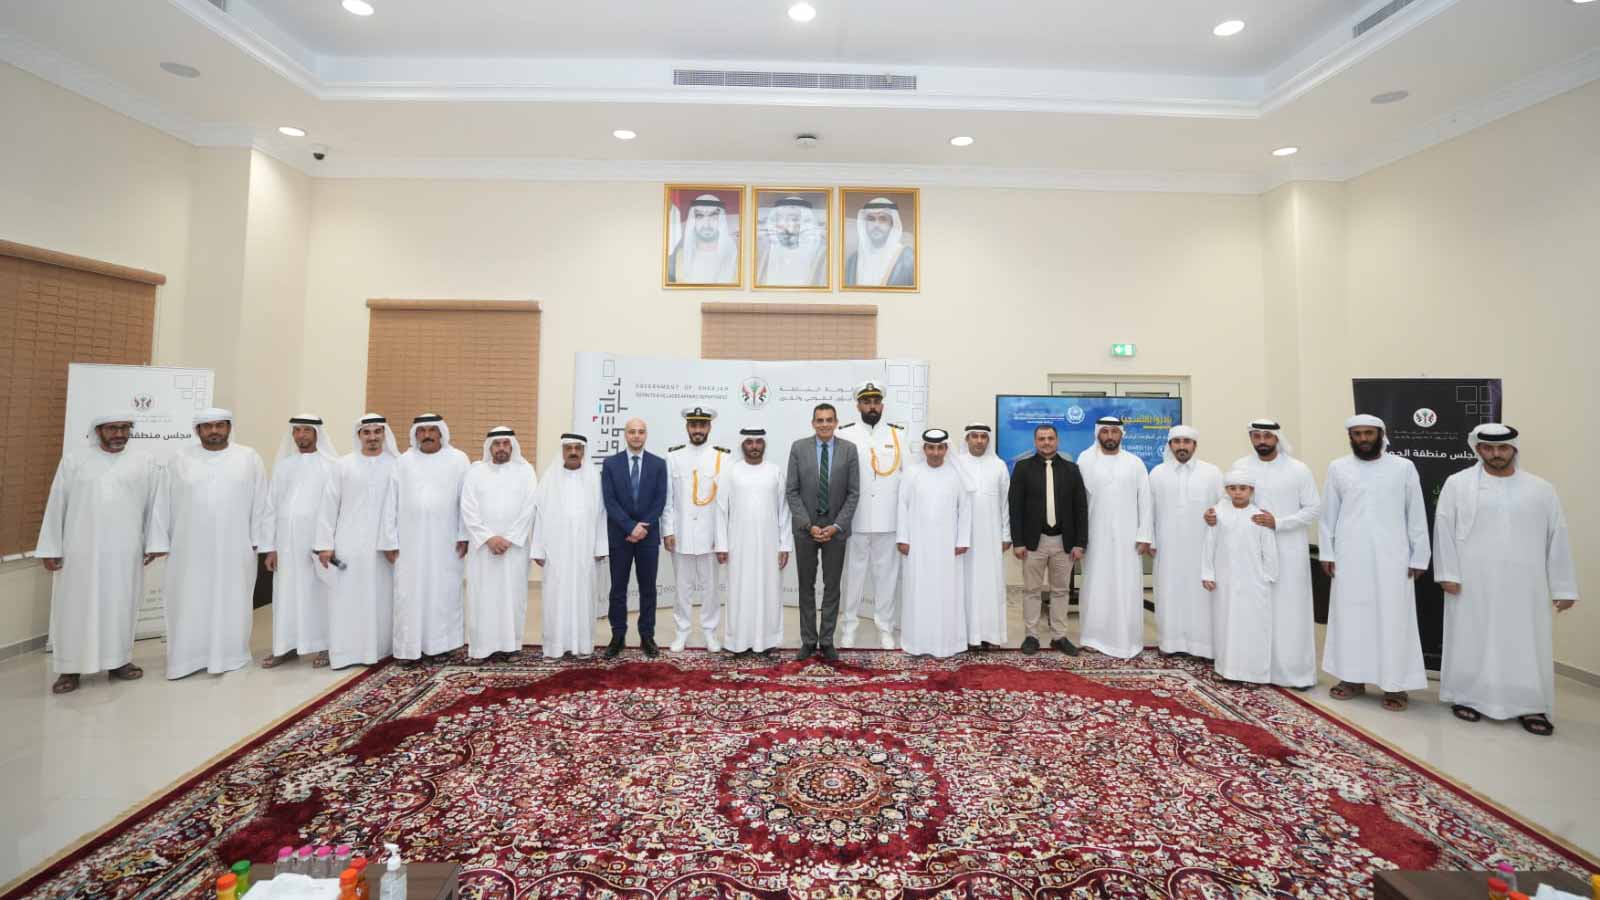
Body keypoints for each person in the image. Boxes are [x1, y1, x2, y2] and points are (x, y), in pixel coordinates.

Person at [1436, 424, 1578, 735]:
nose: (1496, 454)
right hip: (1472, 580)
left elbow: (1557, 536)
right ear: (1478, 449)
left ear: (1514, 448)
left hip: (1526, 583)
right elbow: (1443, 528)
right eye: (1488, 448)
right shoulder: (1458, 484)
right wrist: (1447, 573)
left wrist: (1563, 587)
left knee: (1525, 642)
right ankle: (1468, 697)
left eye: (1502, 448)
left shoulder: (1540, 489)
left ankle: (1529, 705)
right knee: (1472, 638)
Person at [35, 414, 167, 694]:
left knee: (120, 604)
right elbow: (57, 503)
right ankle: (69, 668)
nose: (119, 433)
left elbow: (155, 504)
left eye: (124, 428)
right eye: (112, 428)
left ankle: (118, 661)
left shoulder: (144, 461)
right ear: (98, 431)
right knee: (75, 608)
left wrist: (153, 542)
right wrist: (50, 547)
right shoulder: (75, 460)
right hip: (80, 550)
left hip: (124, 550)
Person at [1321, 414, 1431, 712]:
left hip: (1393, 557)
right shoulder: (1338, 467)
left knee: (1393, 618)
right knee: (1351, 618)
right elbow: (1329, 514)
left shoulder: (1403, 467)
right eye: (1357, 434)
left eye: (1368, 433)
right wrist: (1328, 553)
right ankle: (1351, 679)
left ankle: (1394, 685)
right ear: (1351, 437)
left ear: (1381, 434)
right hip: (1349, 555)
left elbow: (1415, 512)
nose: (1363, 439)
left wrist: (1420, 555)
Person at [1204, 418, 1321, 688]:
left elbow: (1313, 509)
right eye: (1256, 436)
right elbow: (1227, 500)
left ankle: (1292, 674)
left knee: (1289, 612)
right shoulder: (1241, 466)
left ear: (1277, 438)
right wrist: (1212, 514)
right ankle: (1248, 669)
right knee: (1248, 615)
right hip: (1247, 557)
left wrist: (1279, 522)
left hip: (1288, 550)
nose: (1262, 441)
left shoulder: (1298, 470)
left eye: (1267, 436)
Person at [158, 408, 270, 679]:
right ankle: (186, 658)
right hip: (189, 548)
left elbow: (261, 502)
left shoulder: (248, 458)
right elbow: (162, 503)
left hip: (235, 545)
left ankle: (231, 655)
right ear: (198, 430)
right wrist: (159, 540)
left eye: (220, 425)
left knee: (232, 598)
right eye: (208, 426)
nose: (215, 431)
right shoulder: (180, 459)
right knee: (189, 599)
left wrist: (260, 540)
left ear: (229, 428)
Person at [314, 413, 399, 669]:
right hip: (349, 542)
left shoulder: (397, 464)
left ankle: (382, 650)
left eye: (377, 432)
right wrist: (325, 544)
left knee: (382, 596)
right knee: (347, 597)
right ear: (359, 436)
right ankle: (346, 652)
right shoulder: (343, 465)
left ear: (384, 434)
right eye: (367, 432)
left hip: (384, 546)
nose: (372, 437)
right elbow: (329, 505)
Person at [385, 413, 471, 664]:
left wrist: (464, 534)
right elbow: (391, 502)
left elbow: (466, 500)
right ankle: (408, 648)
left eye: (432, 430)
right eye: (422, 431)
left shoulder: (458, 460)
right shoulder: (403, 461)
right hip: (409, 542)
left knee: (444, 592)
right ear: (415, 435)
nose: (427, 435)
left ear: (442, 433)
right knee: (408, 594)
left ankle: (443, 646)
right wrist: (389, 540)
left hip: (446, 541)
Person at [261, 414, 339, 670]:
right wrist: (270, 548)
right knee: (286, 594)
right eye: (297, 430)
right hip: (285, 544)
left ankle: (326, 645)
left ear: (317, 434)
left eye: (307, 430)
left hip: (316, 543)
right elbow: (271, 506)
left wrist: (328, 543)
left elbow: (336, 507)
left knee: (319, 593)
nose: (301, 435)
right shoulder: (284, 465)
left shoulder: (331, 465)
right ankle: (286, 646)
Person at [784, 402, 861, 661]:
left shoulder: (849, 450)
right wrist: (809, 525)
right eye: (820, 420)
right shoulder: (798, 448)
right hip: (806, 530)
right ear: (813, 423)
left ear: (836, 422)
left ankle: (827, 641)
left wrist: (837, 526)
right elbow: (792, 491)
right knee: (806, 586)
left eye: (829, 420)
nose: (825, 424)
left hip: (835, 531)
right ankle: (808, 640)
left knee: (832, 586)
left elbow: (853, 493)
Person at [1007, 423, 1088, 656]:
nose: (1046, 442)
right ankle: (1031, 635)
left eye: (1050, 438)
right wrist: (1018, 542)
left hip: (1064, 541)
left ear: (1057, 441)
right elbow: (1015, 508)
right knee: (1032, 590)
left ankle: (1059, 636)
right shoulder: (1022, 468)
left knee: (1060, 591)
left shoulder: (1072, 469)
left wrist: (1080, 542)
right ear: (1035, 442)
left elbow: (1080, 508)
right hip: (1034, 542)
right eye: (1041, 439)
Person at [1076, 416, 1153, 659]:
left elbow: (1145, 501)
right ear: (1098, 433)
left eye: (1114, 432)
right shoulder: (1085, 460)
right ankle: (1092, 637)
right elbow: (1077, 501)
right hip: (1094, 535)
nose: (1110, 436)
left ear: (1122, 434)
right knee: (1095, 584)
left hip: (1128, 537)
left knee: (1126, 584)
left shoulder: (1135, 463)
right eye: (1105, 431)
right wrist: (1079, 538)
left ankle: (1126, 639)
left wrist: (1145, 534)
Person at [838, 381, 908, 649]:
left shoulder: (897, 435)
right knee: (852, 578)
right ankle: (849, 628)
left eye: (876, 402)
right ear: (858, 406)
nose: (872, 407)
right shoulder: (845, 434)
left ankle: (885, 627)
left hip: (887, 521)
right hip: (855, 520)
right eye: (866, 402)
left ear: (882, 405)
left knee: (886, 579)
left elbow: (907, 480)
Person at [714, 426, 794, 657]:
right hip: (737, 544)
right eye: (749, 442)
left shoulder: (775, 471)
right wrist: (721, 544)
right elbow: (721, 510)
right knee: (738, 591)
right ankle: (736, 642)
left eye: (758, 442)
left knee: (769, 591)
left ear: (764, 444)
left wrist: (784, 545)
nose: (754, 447)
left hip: (770, 545)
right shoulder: (731, 471)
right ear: (742, 445)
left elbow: (784, 511)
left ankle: (768, 642)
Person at [461, 426, 537, 662]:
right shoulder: (475, 472)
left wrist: (509, 538)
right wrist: (488, 538)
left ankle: (511, 646)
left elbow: (530, 507)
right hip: (483, 549)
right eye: (497, 444)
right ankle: (481, 648)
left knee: (512, 597)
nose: (501, 448)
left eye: (506, 443)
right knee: (482, 596)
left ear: (512, 446)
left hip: (514, 549)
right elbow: (468, 507)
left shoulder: (525, 471)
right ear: (489, 447)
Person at [530, 434, 610, 659]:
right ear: (562, 451)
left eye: (577, 448)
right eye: (569, 448)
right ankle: (554, 646)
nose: (573, 452)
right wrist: (538, 549)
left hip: (585, 550)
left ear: (583, 452)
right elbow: (539, 515)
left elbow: (602, 515)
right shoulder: (549, 478)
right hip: (557, 551)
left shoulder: (594, 478)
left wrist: (600, 547)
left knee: (584, 596)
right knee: (555, 596)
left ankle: (583, 646)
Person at [896, 430, 972, 658]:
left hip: (948, 546)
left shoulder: (956, 474)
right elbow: (902, 506)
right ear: (924, 449)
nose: (936, 452)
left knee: (946, 593)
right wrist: (903, 538)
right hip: (918, 545)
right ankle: (917, 643)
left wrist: (962, 540)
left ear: (946, 449)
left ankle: (947, 644)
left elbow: (965, 509)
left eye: (940, 448)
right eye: (931, 448)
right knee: (919, 592)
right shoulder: (912, 473)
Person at [1149, 425, 1223, 659]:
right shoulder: (1157, 473)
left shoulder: (1212, 473)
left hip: (1201, 546)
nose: (1181, 446)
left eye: (1186, 442)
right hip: (1167, 545)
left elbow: (1223, 506)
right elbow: (1149, 510)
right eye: (1177, 442)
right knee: (1168, 591)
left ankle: (1202, 646)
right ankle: (1169, 643)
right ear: (1170, 445)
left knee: (1199, 595)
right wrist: (1150, 539)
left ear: (1194, 445)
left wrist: (1217, 516)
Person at [1203, 469, 1280, 684]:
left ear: (1251, 490)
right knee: (1225, 624)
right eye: (1233, 488)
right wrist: (1208, 573)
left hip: (1254, 581)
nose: (1237, 493)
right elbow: (1209, 545)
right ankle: (1225, 670)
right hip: (1224, 580)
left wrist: (1268, 576)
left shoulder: (1259, 516)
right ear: (1227, 490)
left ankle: (1253, 674)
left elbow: (1269, 549)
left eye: (1242, 488)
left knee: (1251, 626)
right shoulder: (1218, 513)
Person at [662, 406, 729, 652]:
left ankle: (710, 633)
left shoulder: (722, 457)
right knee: (682, 589)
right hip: (681, 535)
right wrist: (668, 530)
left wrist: (722, 540)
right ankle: (682, 632)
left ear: (709, 427)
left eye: (702, 425)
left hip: (710, 536)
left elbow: (724, 505)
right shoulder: (674, 457)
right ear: (687, 427)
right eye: (693, 425)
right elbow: (668, 499)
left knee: (711, 590)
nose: (697, 429)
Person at [601, 417, 668, 658]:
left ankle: (647, 636)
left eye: (641, 432)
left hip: (648, 537)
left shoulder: (659, 464)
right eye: (632, 432)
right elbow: (609, 501)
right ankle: (617, 636)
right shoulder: (611, 464)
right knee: (618, 589)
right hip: (620, 536)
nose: (636, 436)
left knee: (648, 588)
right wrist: (630, 527)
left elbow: (660, 500)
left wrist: (642, 528)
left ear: (646, 435)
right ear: (625, 434)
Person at [954, 423, 1010, 651]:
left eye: (983, 437)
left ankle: (991, 635)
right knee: (966, 585)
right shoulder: (957, 464)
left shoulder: (998, 466)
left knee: (991, 585)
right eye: (974, 436)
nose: (979, 441)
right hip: (964, 539)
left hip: (991, 536)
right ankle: (967, 636)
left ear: (988, 440)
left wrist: (1006, 534)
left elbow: (1005, 503)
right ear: (967, 439)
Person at [756, 195, 827, 287]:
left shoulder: (821, 252)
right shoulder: (765, 250)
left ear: (805, 222)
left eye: (793, 219)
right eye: (779, 219)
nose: (783, 224)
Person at [843, 197, 915, 287]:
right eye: (871, 219)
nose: (876, 225)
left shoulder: (908, 258)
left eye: (883, 219)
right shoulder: (853, 260)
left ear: (892, 224)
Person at [667, 193, 738, 284]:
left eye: (713, 216)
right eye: (700, 216)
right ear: (693, 221)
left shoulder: (735, 257)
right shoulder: (679, 257)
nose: (706, 225)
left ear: (721, 221)